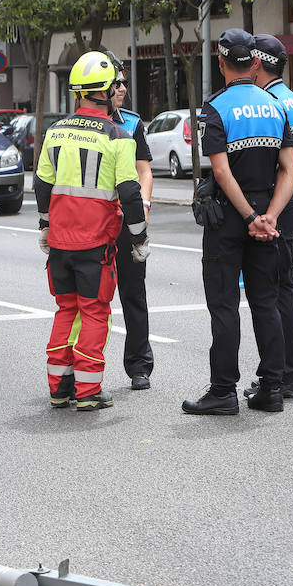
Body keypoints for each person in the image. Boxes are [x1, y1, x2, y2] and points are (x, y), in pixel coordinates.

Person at [182, 29, 293, 416]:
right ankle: (272, 389)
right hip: (267, 214)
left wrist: (248, 216)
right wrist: (270, 217)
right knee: (266, 302)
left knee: (225, 306)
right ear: (254, 63)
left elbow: (221, 171)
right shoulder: (274, 105)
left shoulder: (214, 109)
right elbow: (290, 169)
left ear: (221, 63)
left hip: (229, 219)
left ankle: (223, 392)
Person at [35, 51, 148, 412]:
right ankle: (87, 391)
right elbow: (130, 191)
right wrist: (139, 237)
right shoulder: (118, 135)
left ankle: (59, 388)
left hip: (59, 243)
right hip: (95, 243)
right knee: (96, 312)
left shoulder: (55, 131)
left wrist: (44, 224)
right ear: (106, 90)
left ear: (78, 92)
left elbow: (42, 184)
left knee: (66, 310)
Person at [248, 34, 293, 400]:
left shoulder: (268, 102)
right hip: (290, 204)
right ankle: (290, 371)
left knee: (275, 292)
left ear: (257, 63)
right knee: (286, 288)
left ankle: (286, 373)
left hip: (275, 203)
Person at [103, 51, 155, 391]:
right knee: (91, 298)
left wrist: (144, 204)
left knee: (133, 293)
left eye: (124, 81)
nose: (122, 87)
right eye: (116, 82)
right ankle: (84, 368)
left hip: (126, 220)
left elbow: (144, 170)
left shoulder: (133, 123)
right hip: (91, 223)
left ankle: (139, 366)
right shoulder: (77, 125)